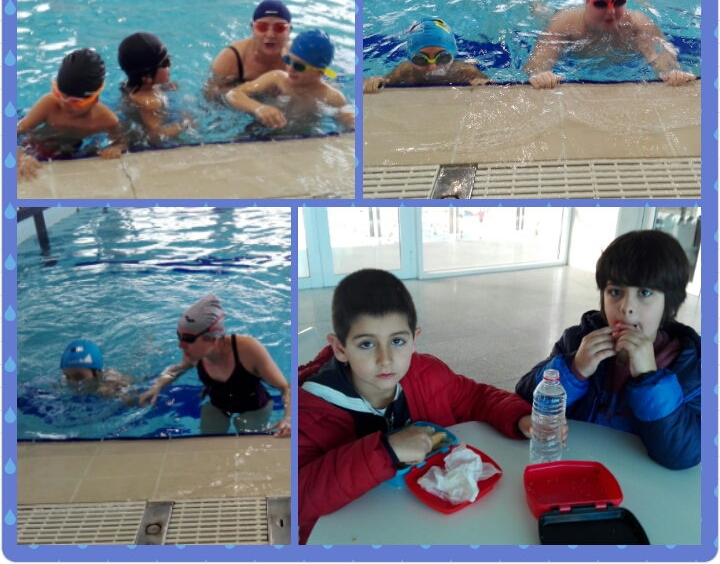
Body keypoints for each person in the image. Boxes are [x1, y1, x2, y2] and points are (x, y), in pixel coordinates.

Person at [298, 268, 552, 544]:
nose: (385, 359)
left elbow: (476, 397)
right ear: (340, 348)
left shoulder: (426, 374)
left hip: (432, 525)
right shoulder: (307, 412)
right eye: (367, 344)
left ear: (414, 340)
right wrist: (386, 452)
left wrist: (519, 417)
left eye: (397, 341)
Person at [516, 230, 700, 470]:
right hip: (575, 468)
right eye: (615, 292)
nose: (626, 307)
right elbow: (524, 400)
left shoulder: (691, 366)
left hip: (640, 479)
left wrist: (650, 379)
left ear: (670, 302)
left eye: (645, 293)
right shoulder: (577, 340)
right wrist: (574, 369)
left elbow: (685, 453)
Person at [524, 0, 697, 89]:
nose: (611, 12)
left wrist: (672, 73)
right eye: (600, 3)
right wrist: (541, 74)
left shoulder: (638, 25)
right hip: (567, 39)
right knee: (545, 17)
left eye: (619, 2)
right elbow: (537, 63)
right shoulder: (565, 23)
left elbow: (662, 61)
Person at [139, 294, 291, 437]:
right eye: (179, 337)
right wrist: (157, 386)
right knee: (207, 443)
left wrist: (289, 418)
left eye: (188, 339)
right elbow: (177, 369)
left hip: (255, 406)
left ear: (212, 338)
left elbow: (285, 388)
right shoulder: (194, 355)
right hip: (218, 404)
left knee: (247, 442)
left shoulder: (248, 349)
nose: (180, 345)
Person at [16, 49, 123, 180]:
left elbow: (120, 142)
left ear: (94, 99)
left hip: (73, 149)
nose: (64, 104)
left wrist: (115, 148)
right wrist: (20, 155)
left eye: (75, 102)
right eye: (59, 95)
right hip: (38, 143)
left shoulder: (107, 120)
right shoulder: (49, 105)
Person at [225, 29, 354, 130]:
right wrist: (258, 108)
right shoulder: (277, 78)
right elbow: (233, 93)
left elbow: (347, 125)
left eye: (299, 66)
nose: (290, 69)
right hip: (262, 130)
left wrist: (349, 119)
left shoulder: (333, 97)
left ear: (319, 73)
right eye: (288, 60)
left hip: (303, 139)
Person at [363, 18, 489, 93]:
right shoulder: (406, 70)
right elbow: (384, 81)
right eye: (420, 59)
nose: (432, 67)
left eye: (443, 57)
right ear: (410, 58)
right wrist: (373, 82)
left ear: (453, 54)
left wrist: (482, 82)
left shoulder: (466, 71)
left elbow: (487, 82)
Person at [205, 0, 292, 100]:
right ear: (252, 28)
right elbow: (209, 93)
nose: (270, 35)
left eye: (279, 28)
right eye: (262, 27)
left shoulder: (296, 57)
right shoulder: (232, 57)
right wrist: (256, 90)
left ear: (289, 30)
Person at [118, 32, 190, 146]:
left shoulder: (131, 84)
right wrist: (184, 124)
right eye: (166, 63)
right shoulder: (151, 102)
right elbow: (155, 135)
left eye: (169, 59)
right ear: (147, 77)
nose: (170, 64)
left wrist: (163, 86)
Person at [60, 339, 130, 398]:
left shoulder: (112, 380)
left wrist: (117, 394)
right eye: (67, 376)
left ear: (97, 372)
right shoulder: (64, 381)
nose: (72, 383)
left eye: (79, 377)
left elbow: (131, 401)